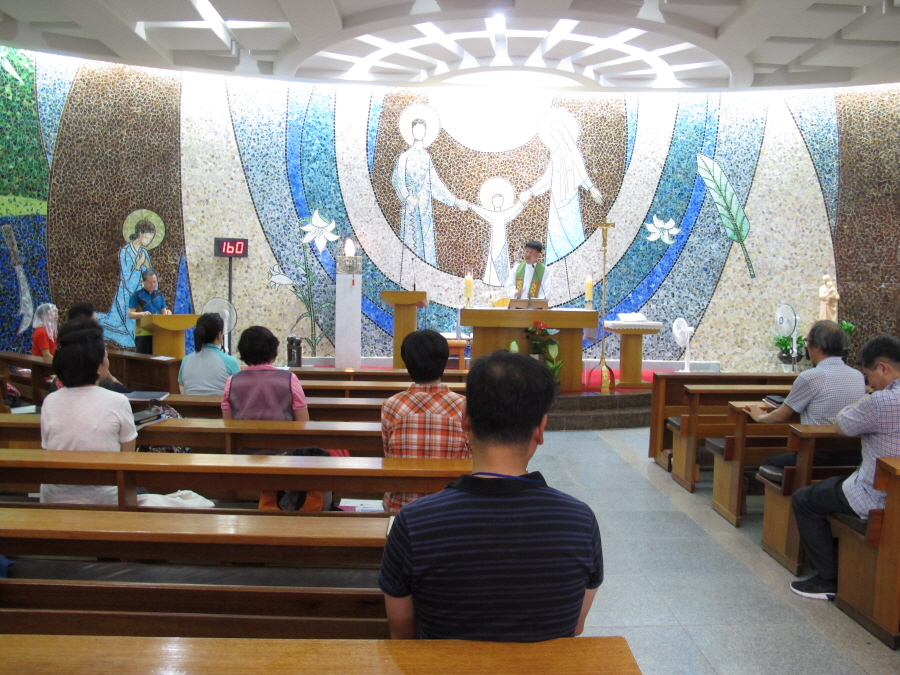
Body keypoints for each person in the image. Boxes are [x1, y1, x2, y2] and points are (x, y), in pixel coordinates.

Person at [378, 350, 602, 641]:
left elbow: (401, 633)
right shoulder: (580, 521)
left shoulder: (414, 522)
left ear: (465, 420)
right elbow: (574, 627)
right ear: (540, 429)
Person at [789, 336, 900, 600]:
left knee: (804, 499)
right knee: (835, 482)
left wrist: (862, 399)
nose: (869, 384)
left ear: (883, 368)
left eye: (869, 376)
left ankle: (828, 579)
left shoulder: (881, 401)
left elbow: (842, 425)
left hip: (879, 498)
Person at [40, 320, 137, 504]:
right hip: (106, 498)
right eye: (106, 356)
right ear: (98, 366)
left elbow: (47, 449)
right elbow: (128, 459)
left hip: (55, 498)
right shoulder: (118, 401)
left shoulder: (50, 401)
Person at [745, 320, 865, 468]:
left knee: (769, 464)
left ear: (817, 347)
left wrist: (760, 417)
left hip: (817, 454)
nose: (806, 346)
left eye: (807, 342)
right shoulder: (858, 376)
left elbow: (781, 415)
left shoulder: (810, 377)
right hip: (852, 456)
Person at [381, 330, 471, 512]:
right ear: (445, 361)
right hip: (453, 507)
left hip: (402, 507)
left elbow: (389, 454)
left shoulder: (391, 405)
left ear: (407, 363)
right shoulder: (464, 406)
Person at [520, 109, 603, 264]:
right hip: (556, 200)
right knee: (556, 233)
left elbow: (582, 174)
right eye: (553, 136)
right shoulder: (555, 155)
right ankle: (555, 262)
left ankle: (577, 261)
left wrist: (591, 188)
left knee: (573, 230)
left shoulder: (574, 154)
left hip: (570, 197)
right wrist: (530, 192)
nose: (556, 138)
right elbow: (547, 179)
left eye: (558, 134)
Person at [391, 107, 467, 265]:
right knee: (410, 242)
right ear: (411, 131)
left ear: (426, 132)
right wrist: (408, 197)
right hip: (410, 208)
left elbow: (436, 184)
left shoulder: (426, 157)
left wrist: (455, 201)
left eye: (422, 129)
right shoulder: (405, 157)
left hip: (425, 209)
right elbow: (398, 180)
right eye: (416, 129)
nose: (419, 132)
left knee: (426, 245)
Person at [221, 326, 309, 447]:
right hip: (284, 450)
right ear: (273, 350)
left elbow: (228, 425)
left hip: (243, 452)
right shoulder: (290, 379)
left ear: (243, 351)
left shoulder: (231, 382)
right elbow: (303, 423)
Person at [98, 217, 158, 347]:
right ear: (140, 234)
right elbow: (129, 283)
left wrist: (147, 266)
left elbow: (152, 280)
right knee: (131, 335)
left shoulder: (144, 252)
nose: (148, 242)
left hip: (143, 296)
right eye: (147, 238)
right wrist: (138, 265)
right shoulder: (125, 252)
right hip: (126, 297)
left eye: (151, 239)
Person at [178, 313, 241, 395]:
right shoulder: (230, 361)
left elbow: (182, 390)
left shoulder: (185, 360)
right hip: (220, 403)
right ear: (219, 334)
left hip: (189, 403)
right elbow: (239, 392)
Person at [127, 269, 171, 354]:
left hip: (158, 333)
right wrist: (142, 314)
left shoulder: (160, 296)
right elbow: (130, 314)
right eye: (150, 282)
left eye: (154, 282)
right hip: (143, 334)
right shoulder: (137, 295)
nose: (153, 284)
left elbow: (164, 313)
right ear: (143, 282)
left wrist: (168, 313)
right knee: (143, 359)